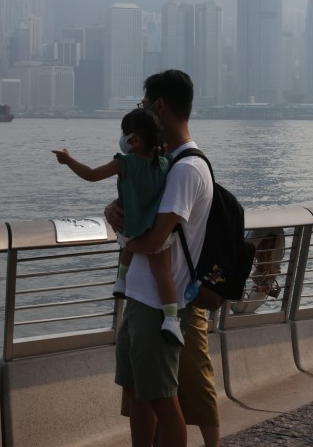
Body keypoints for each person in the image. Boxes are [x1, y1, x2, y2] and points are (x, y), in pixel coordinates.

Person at [110, 69, 215, 447]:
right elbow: (140, 218)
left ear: (159, 106)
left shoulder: (186, 169)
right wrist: (113, 211)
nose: (140, 111)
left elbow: (155, 240)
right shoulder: (162, 162)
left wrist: (125, 239)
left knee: (164, 402)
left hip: (159, 306)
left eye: (143, 104)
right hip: (141, 298)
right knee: (138, 393)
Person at [52, 108, 184, 345]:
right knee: (163, 274)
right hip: (156, 229)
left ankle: (120, 281)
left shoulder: (124, 163)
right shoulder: (164, 163)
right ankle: (171, 320)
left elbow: (91, 175)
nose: (122, 138)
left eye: (125, 134)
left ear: (135, 140)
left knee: (128, 247)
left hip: (130, 226)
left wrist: (69, 160)